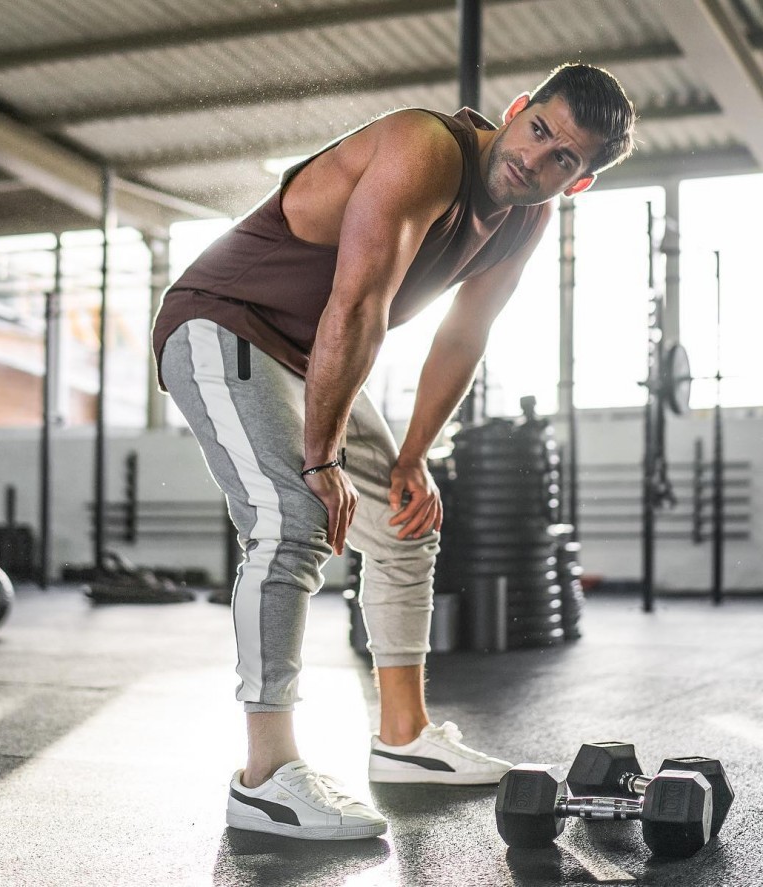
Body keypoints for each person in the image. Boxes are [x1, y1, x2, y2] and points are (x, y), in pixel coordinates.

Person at [152, 62, 636, 841]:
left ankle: (404, 739)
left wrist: (413, 459)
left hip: (311, 356)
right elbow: (359, 303)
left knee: (411, 520)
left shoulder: (529, 218)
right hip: (223, 321)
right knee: (293, 517)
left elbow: (463, 334)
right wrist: (321, 460)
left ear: (577, 183)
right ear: (516, 110)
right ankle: (265, 776)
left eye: (563, 161)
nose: (536, 160)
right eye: (539, 130)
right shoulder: (424, 147)